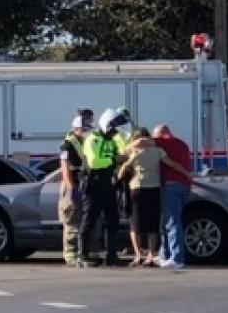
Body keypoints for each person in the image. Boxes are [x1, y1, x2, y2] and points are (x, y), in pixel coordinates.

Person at [119, 128, 195, 267]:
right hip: (155, 188)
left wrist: (120, 174)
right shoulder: (163, 149)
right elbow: (173, 164)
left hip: (137, 188)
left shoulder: (137, 151)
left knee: (136, 223)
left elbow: (124, 165)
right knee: (154, 223)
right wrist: (187, 174)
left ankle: (140, 255)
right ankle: (153, 254)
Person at [78, 107, 130, 268]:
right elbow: (94, 162)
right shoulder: (92, 139)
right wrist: (115, 160)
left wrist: (120, 136)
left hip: (108, 183)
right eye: (114, 129)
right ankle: (83, 255)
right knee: (89, 220)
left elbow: (125, 149)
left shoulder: (111, 139)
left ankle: (111, 255)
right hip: (93, 183)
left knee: (113, 219)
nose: (115, 132)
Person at [152, 124, 194, 269]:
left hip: (171, 186)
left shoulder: (161, 142)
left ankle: (177, 258)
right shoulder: (183, 144)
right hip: (184, 186)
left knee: (172, 222)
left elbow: (142, 142)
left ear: (160, 134)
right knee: (168, 221)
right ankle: (165, 255)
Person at [59, 109, 93, 266]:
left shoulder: (86, 142)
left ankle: (85, 252)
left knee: (86, 219)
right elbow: (65, 168)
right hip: (72, 184)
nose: (86, 131)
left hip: (84, 184)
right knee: (72, 219)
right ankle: (70, 254)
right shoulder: (67, 145)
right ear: (76, 129)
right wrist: (72, 188)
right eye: (83, 129)